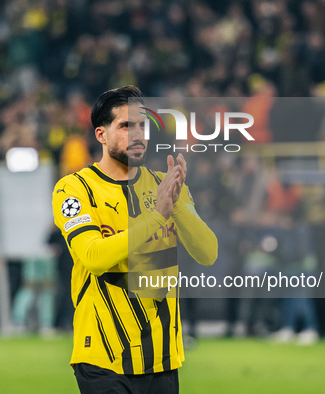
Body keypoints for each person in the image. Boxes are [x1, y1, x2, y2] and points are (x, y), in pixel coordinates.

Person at [52, 86, 217, 394]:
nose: (138, 133)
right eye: (126, 125)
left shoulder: (162, 184)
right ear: (101, 135)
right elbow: (93, 257)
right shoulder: (75, 189)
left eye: (142, 125)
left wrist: (177, 205)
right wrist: (156, 215)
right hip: (105, 358)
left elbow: (208, 253)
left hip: (164, 357)